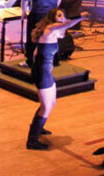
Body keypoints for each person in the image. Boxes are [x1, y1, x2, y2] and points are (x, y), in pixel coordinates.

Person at [26, 8, 84, 150]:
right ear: (52, 18)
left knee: (51, 103)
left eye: (63, 15)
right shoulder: (49, 29)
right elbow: (66, 25)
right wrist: (81, 17)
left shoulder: (52, 32)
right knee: (46, 107)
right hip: (42, 73)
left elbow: (36, 53)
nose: (62, 17)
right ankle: (32, 140)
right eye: (59, 15)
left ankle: (38, 127)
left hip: (44, 72)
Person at [21, 0, 65, 67]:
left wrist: (23, 11)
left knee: (34, 37)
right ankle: (55, 60)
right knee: (52, 35)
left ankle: (30, 61)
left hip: (37, 12)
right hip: (52, 13)